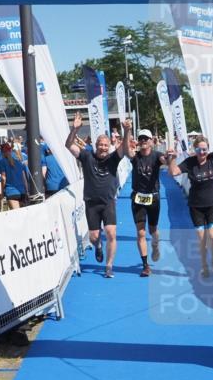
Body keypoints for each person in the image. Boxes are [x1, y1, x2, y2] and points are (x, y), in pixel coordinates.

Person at [168, 116, 213, 278]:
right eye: (199, 150)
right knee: (202, 239)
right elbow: (173, 172)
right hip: (196, 207)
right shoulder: (190, 162)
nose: (202, 152)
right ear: (195, 150)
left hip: (212, 204)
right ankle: (204, 266)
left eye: (205, 149)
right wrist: (171, 159)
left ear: (208, 149)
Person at [66, 114, 132, 278]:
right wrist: (75, 129)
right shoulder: (87, 156)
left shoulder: (113, 159)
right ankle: (98, 246)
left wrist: (127, 130)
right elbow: (69, 145)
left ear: (109, 146)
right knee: (95, 236)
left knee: (111, 233)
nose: (103, 147)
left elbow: (124, 147)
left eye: (106, 145)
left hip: (108, 202)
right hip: (91, 204)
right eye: (100, 145)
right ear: (95, 145)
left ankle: (109, 266)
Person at [130, 129, 167, 277]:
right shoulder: (135, 157)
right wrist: (127, 131)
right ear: (138, 141)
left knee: (153, 231)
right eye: (141, 138)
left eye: (146, 138)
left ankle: (155, 245)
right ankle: (145, 266)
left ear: (151, 141)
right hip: (138, 198)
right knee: (140, 232)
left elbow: (165, 160)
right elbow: (127, 151)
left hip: (153, 198)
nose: (144, 140)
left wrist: (170, 158)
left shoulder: (157, 156)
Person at [0, 142, 31, 210]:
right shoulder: (19, 162)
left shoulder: (2, 162)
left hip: (11, 191)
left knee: (16, 216)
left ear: (2, 152)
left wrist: (2, 191)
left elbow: (3, 177)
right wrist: (26, 191)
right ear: (11, 151)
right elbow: (24, 178)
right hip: (22, 191)